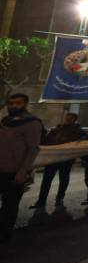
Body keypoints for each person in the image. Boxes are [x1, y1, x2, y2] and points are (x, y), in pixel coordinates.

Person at [0, 94, 43, 242]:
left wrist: (23, 170)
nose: (13, 106)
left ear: (25, 104)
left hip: (15, 171)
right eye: (10, 103)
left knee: (9, 205)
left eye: (18, 103)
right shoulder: (6, 121)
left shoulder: (32, 122)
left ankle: (5, 234)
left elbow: (33, 148)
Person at [30, 111, 85, 210]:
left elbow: (79, 143)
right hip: (53, 158)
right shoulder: (57, 129)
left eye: (70, 118)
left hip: (66, 159)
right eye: (67, 117)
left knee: (63, 179)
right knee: (46, 180)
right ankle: (41, 201)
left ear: (74, 120)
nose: (67, 119)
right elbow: (47, 140)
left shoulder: (79, 131)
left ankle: (60, 198)